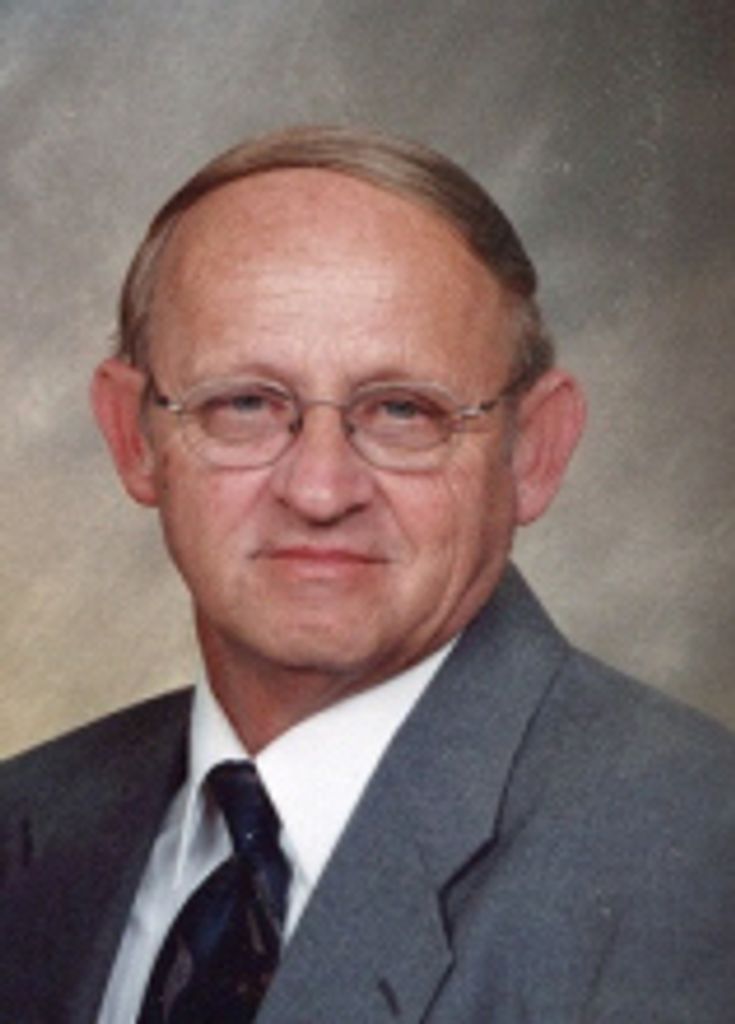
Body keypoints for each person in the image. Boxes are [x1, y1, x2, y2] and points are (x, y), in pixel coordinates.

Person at [2, 126, 734, 1024]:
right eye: (244, 403)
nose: (319, 491)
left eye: (402, 411)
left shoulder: (696, 864)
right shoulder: (22, 827)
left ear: (532, 452)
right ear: (133, 436)